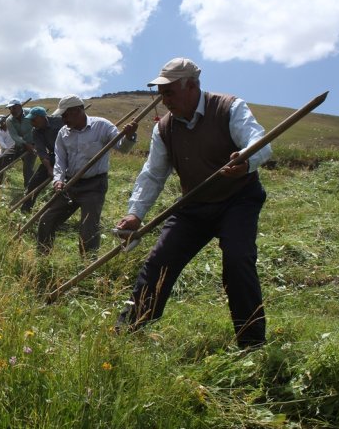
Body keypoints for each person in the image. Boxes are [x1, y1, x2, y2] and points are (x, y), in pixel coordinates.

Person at [114, 57, 273, 349]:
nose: (164, 99)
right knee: (158, 262)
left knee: (238, 261)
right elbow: (153, 174)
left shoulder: (229, 108)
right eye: (161, 93)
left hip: (238, 199)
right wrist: (135, 214)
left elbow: (260, 142)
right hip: (194, 204)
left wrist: (246, 159)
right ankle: (127, 333)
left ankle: (252, 345)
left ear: (192, 86)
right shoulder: (164, 129)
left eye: (170, 92)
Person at [37, 95, 138, 256]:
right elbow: (60, 160)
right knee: (46, 220)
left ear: (78, 111)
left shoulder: (102, 126)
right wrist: (58, 180)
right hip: (70, 185)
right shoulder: (64, 133)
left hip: (94, 186)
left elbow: (123, 148)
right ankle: (43, 257)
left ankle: (87, 266)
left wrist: (129, 136)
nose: (63, 119)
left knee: (88, 231)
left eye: (65, 114)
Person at [17, 106, 65, 213]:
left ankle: (56, 212)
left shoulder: (59, 121)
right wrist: (49, 169)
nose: (32, 122)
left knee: (65, 186)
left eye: (33, 119)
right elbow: (42, 152)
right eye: (30, 120)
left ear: (42, 117)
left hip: (69, 156)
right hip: (53, 156)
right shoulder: (36, 132)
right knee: (33, 184)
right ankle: (25, 210)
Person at [0, 99, 36, 185]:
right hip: (19, 144)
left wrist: (34, 144)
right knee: (1, 160)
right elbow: (15, 136)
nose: (12, 111)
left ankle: (28, 189)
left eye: (14, 108)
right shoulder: (9, 120)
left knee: (28, 168)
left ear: (20, 106)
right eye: (10, 109)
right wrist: (25, 144)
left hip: (33, 144)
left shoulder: (31, 113)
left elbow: (39, 125)